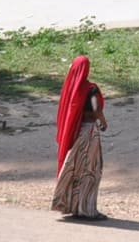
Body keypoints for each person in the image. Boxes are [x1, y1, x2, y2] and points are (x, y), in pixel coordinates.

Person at [52, 65, 107, 221]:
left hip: (77, 132)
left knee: (75, 170)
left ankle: (74, 206)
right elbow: (96, 109)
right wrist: (103, 121)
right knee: (91, 171)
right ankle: (87, 210)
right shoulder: (91, 89)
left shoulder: (71, 89)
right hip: (89, 133)